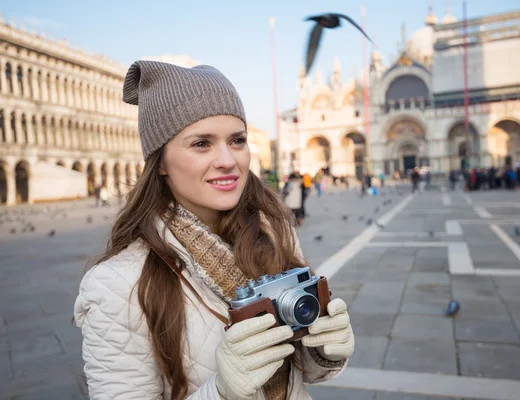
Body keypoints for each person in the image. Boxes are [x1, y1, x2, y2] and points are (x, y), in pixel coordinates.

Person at [74, 61, 354, 400]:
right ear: (160, 162)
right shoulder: (117, 285)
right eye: (201, 144)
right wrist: (220, 393)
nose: (227, 160)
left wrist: (322, 350)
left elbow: (302, 372)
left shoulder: (274, 230)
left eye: (237, 140)